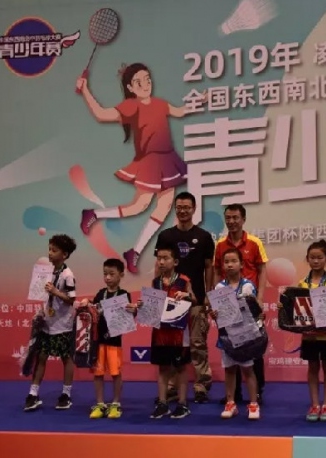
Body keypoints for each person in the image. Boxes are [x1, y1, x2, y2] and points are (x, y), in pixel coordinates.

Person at [76, 63, 205, 274]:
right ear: (130, 87)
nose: (145, 84)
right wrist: (85, 90)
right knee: (139, 206)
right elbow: (101, 114)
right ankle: (94, 214)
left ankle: (134, 252)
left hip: (168, 159)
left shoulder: (160, 104)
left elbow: (180, 111)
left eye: (147, 79)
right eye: (139, 82)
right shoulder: (131, 106)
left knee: (163, 208)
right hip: (150, 161)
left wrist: (199, 101)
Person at [155, 191, 215, 404]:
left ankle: (201, 385)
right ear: (175, 209)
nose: (182, 211)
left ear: (194, 209)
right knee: (172, 344)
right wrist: (157, 293)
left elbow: (209, 268)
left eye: (186, 207)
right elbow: (159, 265)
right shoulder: (165, 236)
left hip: (195, 300)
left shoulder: (204, 237)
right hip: (170, 301)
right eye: (179, 207)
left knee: (198, 343)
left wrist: (208, 295)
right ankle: (171, 387)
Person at [213, 204, 268, 404]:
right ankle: (234, 394)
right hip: (227, 305)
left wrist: (259, 299)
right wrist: (215, 299)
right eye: (228, 218)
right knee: (230, 345)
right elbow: (217, 272)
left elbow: (262, 270)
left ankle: (257, 391)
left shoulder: (254, 242)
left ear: (243, 219)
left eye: (235, 217)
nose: (232, 221)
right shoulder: (220, 244)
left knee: (254, 346)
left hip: (249, 302)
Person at [24, 234, 79, 411]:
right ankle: (33, 394)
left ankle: (66, 394)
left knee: (66, 358)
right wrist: (41, 312)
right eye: (49, 249)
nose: (50, 253)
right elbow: (43, 295)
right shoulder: (46, 271)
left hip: (63, 324)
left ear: (65, 255)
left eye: (54, 250)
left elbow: (71, 299)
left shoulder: (68, 275)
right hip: (47, 323)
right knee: (41, 357)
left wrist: (55, 291)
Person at [210, 248, 263, 420]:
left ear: (241, 264)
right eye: (226, 262)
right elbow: (218, 314)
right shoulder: (219, 287)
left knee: (248, 370)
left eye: (234, 261)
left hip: (245, 335)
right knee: (230, 370)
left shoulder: (248, 286)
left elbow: (253, 309)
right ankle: (231, 403)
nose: (230, 265)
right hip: (227, 336)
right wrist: (214, 314)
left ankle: (253, 404)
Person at [146, 242, 197, 419]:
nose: (161, 262)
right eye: (159, 258)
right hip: (160, 333)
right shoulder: (156, 282)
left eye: (165, 258)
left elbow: (194, 300)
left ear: (175, 262)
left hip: (179, 333)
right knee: (163, 368)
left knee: (181, 367)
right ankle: (163, 403)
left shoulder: (184, 280)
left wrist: (186, 295)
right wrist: (142, 306)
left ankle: (182, 404)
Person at [81, 258, 132, 419]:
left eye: (111, 274)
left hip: (114, 342)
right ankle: (100, 404)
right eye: (105, 274)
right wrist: (87, 303)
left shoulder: (124, 295)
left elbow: (129, 316)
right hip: (98, 341)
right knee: (98, 373)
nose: (108, 277)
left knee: (116, 373)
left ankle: (115, 403)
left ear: (121, 275)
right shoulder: (100, 293)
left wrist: (133, 309)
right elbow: (94, 309)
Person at [296, 240, 326, 422]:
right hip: (309, 335)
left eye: (320, 257)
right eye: (312, 258)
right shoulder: (302, 283)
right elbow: (297, 308)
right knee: (313, 368)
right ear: (307, 259)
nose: (316, 261)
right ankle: (315, 404)